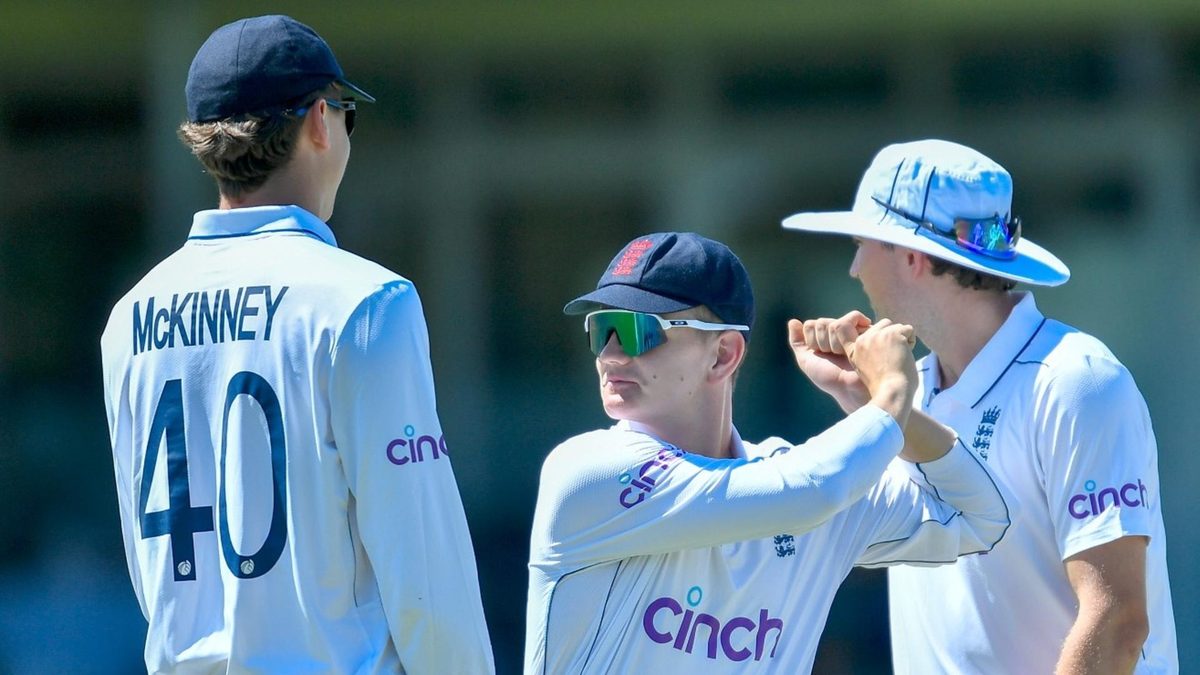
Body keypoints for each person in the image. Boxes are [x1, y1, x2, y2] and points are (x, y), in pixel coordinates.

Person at [100, 15, 493, 674]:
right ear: (318, 120)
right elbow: (426, 572)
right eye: (346, 115)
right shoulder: (367, 303)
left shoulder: (130, 317)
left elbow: (153, 574)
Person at [524, 231, 1012, 674]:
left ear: (724, 354)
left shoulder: (802, 480)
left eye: (636, 331)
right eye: (600, 328)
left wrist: (864, 400)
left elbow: (978, 515)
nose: (610, 355)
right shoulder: (587, 471)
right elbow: (811, 491)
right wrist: (889, 396)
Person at [782, 138, 1178, 673]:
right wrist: (862, 399)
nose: (854, 269)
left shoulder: (1075, 381)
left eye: (861, 243)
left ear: (913, 257)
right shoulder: (909, 392)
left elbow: (1118, 619)